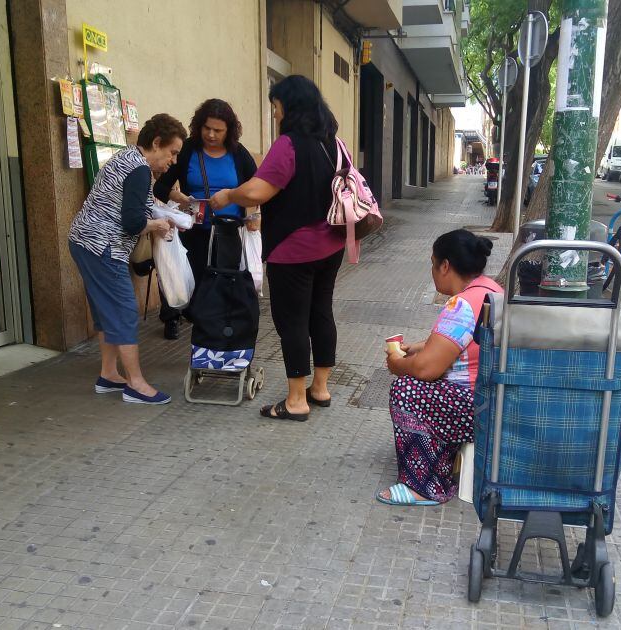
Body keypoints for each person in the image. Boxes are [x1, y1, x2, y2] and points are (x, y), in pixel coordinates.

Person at [209, 75, 346, 422]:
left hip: (294, 249)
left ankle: (296, 401)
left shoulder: (289, 144)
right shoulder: (332, 142)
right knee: (321, 313)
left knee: (293, 321)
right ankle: (320, 388)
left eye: (275, 106)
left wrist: (228, 195)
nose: (274, 114)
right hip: (331, 244)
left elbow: (257, 191)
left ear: (289, 105)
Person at [377, 229, 502, 506]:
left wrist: (399, 364)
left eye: (433, 263)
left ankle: (423, 485)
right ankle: (442, 463)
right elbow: (467, 342)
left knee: (407, 390)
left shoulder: (462, 304)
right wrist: (423, 346)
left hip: (476, 409)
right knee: (424, 384)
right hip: (495, 401)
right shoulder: (491, 290)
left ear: (445, 265)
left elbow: (426, 370)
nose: (432, 271)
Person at [68, 114, 187, 405]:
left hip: (85, 241)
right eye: (172, 153)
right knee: (123, 310)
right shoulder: (139, 170)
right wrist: (158, 226)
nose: (172, 161)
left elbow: (137, 204)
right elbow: (133, 222)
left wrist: (161, 213)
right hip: (102, 246)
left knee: (106, 311)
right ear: (156, 143)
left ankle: (109, 374)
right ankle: (135, 384)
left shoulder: (129, 158)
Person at [153, 98, 258, 339]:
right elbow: (161, 187)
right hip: (194, 232)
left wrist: (254, 214)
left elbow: (257, 187)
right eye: (206, 128)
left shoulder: (239, 154)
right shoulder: (188, 149)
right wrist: (178, 197)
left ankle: (220, 334)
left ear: (229, 130)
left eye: (218, 130)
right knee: (193, 283)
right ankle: (181, 321)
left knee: (225, 287)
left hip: (228, 233)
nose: (211, 134)